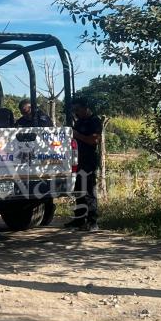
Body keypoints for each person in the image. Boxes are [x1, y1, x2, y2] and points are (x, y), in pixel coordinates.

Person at [65, 97, 102, 232]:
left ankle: (92, 222)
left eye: (77, 109)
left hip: (88, 160)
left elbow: (94, 140)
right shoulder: (79, 121)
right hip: (76, 161)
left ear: (85, 108)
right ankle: (79, 220)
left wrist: (77, 135)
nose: (76, 112)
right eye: (74, 110)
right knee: (78, 191)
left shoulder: (94, 121)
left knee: (89, 191)